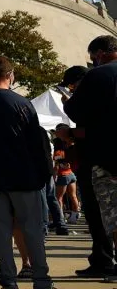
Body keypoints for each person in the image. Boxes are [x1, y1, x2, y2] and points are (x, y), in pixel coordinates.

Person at [0, 56, 53, 289]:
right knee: (32, 230)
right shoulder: (21, 103)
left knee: (1, 231)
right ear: (10, 75)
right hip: (24, 177)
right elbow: (37, 143)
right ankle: (41, 279)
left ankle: (8, 278)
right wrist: (44, 175)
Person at [66, 35, 117, 282]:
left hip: (107, 160)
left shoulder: (98, 76)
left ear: (99, 53)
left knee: (111, 215)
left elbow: (73, 110)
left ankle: (108, 262)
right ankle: (101, 260)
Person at [52, 124, 80, 226]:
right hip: (71, 173)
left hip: (63, 174)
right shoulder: (71, 140)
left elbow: (58, 157)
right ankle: (74, 216)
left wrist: (57, 166)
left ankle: (61, 218)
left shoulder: (58, 142)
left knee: (58, 197)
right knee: (73, 196)